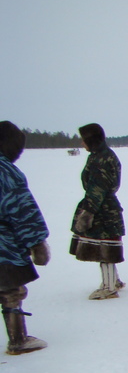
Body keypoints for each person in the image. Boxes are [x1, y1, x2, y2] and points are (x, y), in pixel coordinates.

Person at [0, 121, 51, 354]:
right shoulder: (7, 172)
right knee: (10, 289)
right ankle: (18, 339)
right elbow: (22, 211)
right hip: (4, 245)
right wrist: (36, 243)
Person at [69, 123, 125, 300]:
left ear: (91, 139)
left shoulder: (102, 158)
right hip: (105, 207)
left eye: (83, 139)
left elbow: (97, 188)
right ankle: (114, 281)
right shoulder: (99, 155)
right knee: (107, 246)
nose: (82, 143)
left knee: (105, 249)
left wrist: (87, 213)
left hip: (104, 210)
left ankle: (108, 288)